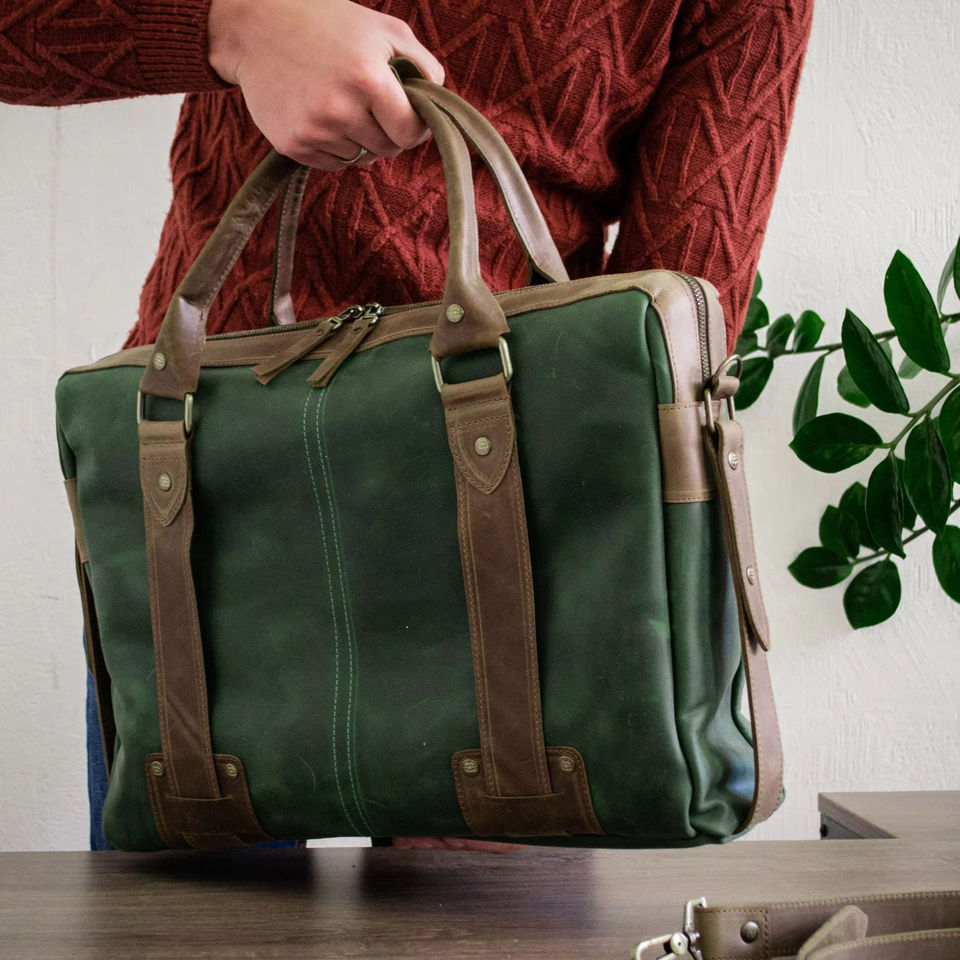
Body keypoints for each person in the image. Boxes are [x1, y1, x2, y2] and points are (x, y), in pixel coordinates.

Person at [1, 0, 813, 850]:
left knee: (480, 886)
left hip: (516, 526)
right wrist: (238, 26)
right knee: (198, 897)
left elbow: (680, 327)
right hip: (213, 484)